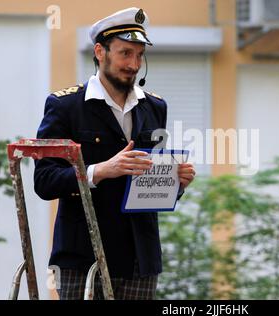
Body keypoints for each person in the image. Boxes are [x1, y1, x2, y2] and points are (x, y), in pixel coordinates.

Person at [34, 7, 195, 300]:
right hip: (82, 259)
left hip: (140, 260)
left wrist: (175, 184)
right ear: (100, 51)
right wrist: (100, 170)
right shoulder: (65, 106)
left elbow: (147, 189)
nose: (134, 64)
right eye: (125, 53)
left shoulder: (156, 106)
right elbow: (44, 181)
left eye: (139, 54)